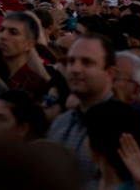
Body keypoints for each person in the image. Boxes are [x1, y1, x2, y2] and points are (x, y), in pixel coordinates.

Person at [47, 33, 117, 190]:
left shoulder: (122, 124)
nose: (75, 69)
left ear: (110, 73)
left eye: (87, 62)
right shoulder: (61, 122)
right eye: (71, 61)